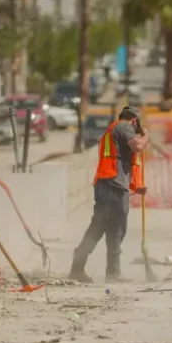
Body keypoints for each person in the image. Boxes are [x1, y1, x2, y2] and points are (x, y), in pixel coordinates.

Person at [70, 106, 148, 283]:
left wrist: (136, 186)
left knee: (98, 228)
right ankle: (112, 273)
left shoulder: (114, 129)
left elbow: (122, 162)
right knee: (116, 229)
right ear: (134, 121)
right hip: (113, 188)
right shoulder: (124, 127)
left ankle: (78, 267)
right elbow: (138, 146)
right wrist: (146, 135)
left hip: (107, 185)